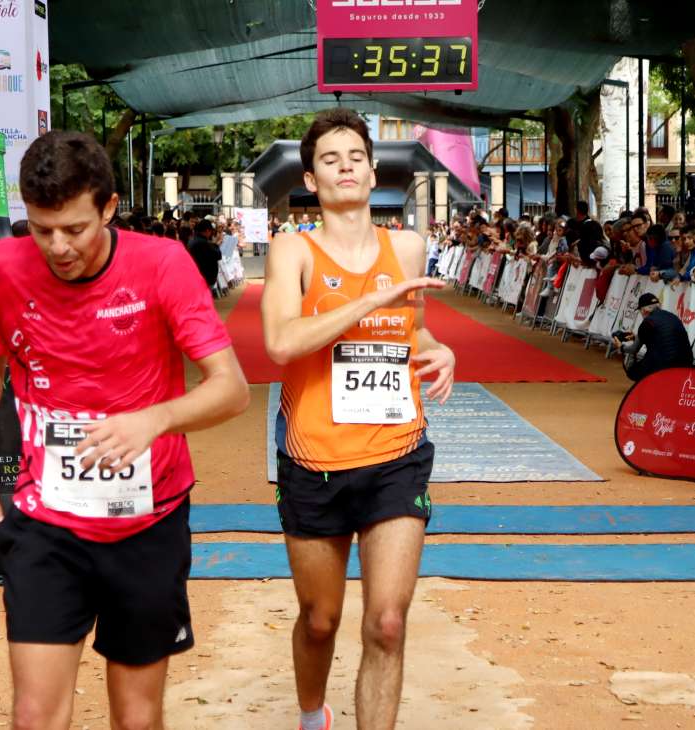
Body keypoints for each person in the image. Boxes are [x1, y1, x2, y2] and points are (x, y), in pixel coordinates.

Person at [0, 131, 249, 730]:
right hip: (46, 519)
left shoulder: (161, 264)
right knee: (34, 715)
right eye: (41, 228)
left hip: (148, 520)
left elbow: (232, 388)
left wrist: (156, 417)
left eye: (75, 229)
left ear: (109, 208)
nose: (58, 247)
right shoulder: (5, 266)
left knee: (136, 718)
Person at [261, 108, 455, 730]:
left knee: (387, 622)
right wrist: (370, 297)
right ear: (312, 182)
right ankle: (312, 714)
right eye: (328, 160)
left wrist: (440, 350)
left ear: (373, 172)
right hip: (313, 460)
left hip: (396, 454)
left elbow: (413, 328)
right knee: (320, 620)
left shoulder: (408, 246)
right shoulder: (294, 249)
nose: (344, 167)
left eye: (354, 157)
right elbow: (283, 343)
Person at [614, 292, 693, 381]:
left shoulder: (647, 323)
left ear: (643, 310)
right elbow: (664, 338)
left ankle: (648, 385)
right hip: (686, 365)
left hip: (663, 367)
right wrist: (636, 337)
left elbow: (633, 349)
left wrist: (621, 347)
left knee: (632, 366)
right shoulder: (672, 316)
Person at [187, 219, 223, 291]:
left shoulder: (193, 240)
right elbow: (218, 255)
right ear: (207, 230)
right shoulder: (203, 243)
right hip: (204, 277)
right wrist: (216, 245)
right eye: (210, 231)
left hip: (196, 276)